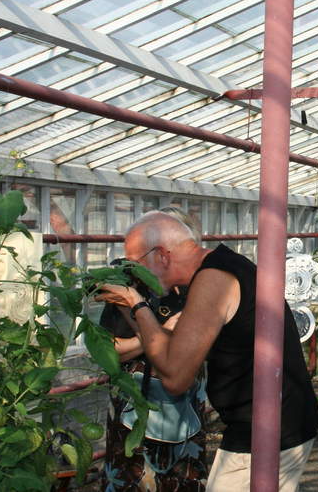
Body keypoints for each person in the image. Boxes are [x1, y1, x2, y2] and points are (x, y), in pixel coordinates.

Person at [96, 211, 318, 492]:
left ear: (163, 255)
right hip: (271, 423)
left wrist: (136, 304)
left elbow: (175, 377)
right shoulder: (225, 265)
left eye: (137, 264)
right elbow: (165, 348)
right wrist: (129, 306)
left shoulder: (213, 280)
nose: (133, 274)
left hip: (267, 430)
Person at [99, 209, 207, 491]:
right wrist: (159, 333)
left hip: (183, 409)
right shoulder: (128, 289)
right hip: (133, 405)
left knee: (182, 478)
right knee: (132, 476)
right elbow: (110, 353)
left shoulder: (195, 289)